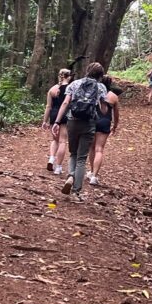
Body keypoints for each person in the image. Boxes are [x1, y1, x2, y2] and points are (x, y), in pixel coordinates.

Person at [51, 61, 107, 202]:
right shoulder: (101, 87)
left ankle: (70, 175)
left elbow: (65, 103)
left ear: (87, 70)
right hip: (89, 123)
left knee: (73, 153)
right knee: (82, 158)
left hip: (72, 121)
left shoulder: (74, 84)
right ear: (101, 75)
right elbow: (104, 110)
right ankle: (76, 191)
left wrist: (57, 122)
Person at [87, 76, 120, 186]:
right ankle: (94, 176)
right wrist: (115, 126)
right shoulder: (113, 96)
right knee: (99, 149)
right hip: (105, 122)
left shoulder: (93, 92)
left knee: (91, 148)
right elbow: (116, 114)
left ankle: (91, 172)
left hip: (93, 121)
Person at [42, 68, 71, 174]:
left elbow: (48, 106)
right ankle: (58, 167)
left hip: (54, 115)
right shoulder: (70, 88)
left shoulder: (52, 89)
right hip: (65, 116)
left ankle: (51, 158)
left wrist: (45, 121)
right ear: (69, 76)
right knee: (63, 141)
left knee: (55, 140)